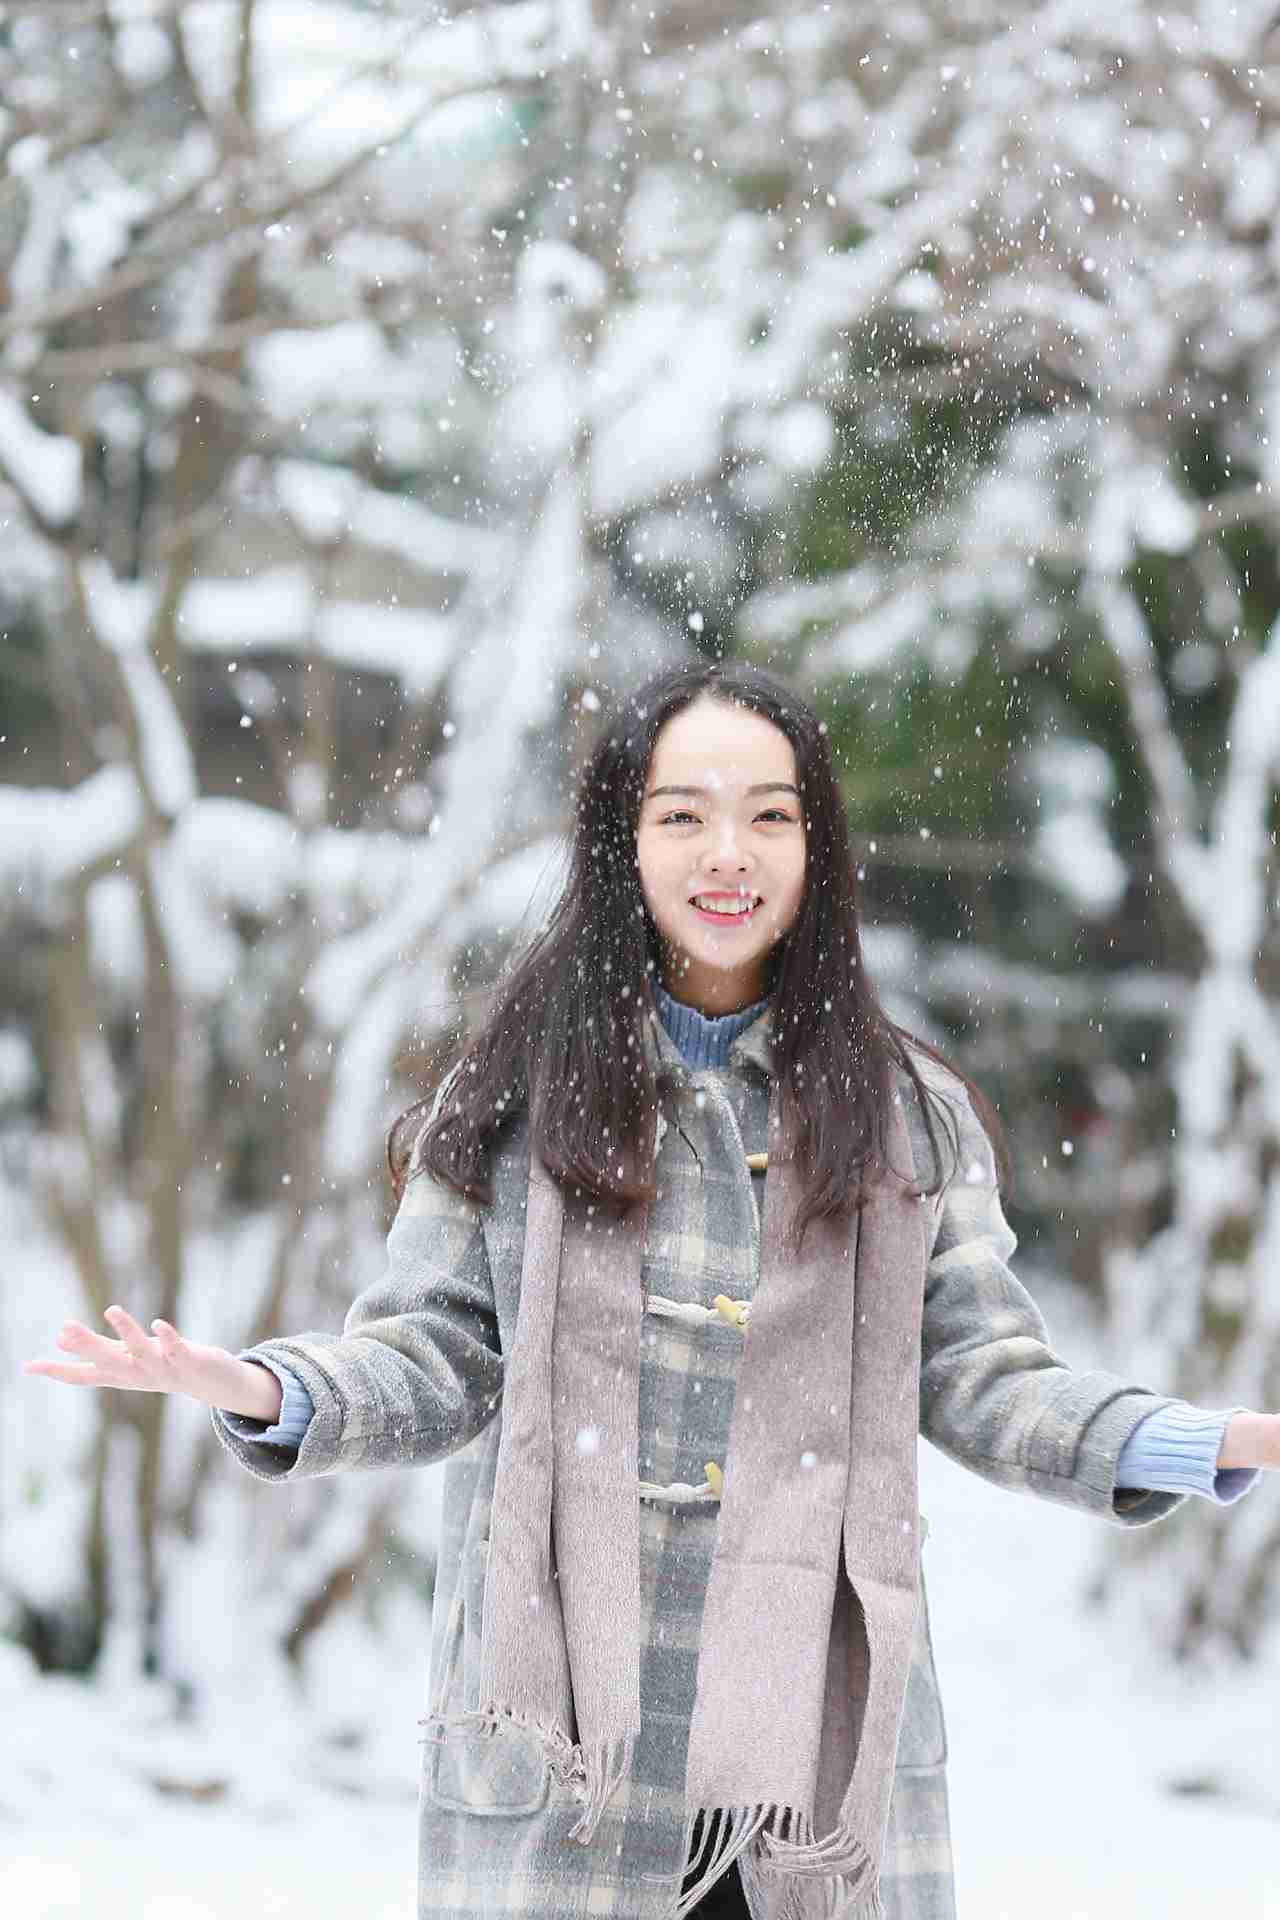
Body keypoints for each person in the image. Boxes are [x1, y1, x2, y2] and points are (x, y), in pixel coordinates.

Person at [24, 661, 1275, 1920]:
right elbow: (435, 1356)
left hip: (809, 1777)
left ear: (814, 845)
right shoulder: (513, 1095)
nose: (725, 853)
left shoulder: (902, 1114)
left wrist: (1192, 1438)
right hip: (566, 1770)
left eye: (767, 815)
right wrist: (260, 1385)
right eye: (681, 814)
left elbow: (980, 1376)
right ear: (621, 840)